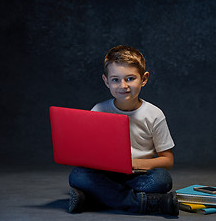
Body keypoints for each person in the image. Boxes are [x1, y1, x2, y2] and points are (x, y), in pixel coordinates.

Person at [68, 45, 179, 216]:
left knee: (162, 180)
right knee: (77, 176)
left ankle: (94, 199)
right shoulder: (98, 110)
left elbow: (167, 160)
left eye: (130, 78)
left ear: (144, 78)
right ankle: (148, 203)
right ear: (106, 81)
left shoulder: (154, 114)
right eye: (115, 79)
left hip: (139, 175)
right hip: (107, 175)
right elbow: (88, 152)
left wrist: (135, 164)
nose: (123, 85)